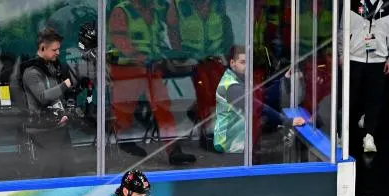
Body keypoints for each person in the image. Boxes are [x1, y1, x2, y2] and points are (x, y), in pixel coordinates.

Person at [107, 0, 196, 165]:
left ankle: (173, 150)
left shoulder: (154, 11)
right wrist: (139, 56)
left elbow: (164, 32)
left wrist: (161, 57)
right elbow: (119, 41)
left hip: (151, 69)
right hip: (128, 70)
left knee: (164, 107)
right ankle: (124, 141)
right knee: (124, 110)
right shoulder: (122, 11)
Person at [213, 46, 305, 154]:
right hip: (229, 147)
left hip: (240, 143)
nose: (247, 66)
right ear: (233, 63)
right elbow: (258, 107)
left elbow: (262, 95)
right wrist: (288, 121)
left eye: (249, 62)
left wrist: (285, 80)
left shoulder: (240, 79)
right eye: (243, 62)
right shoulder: (232, 87)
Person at [167, 0, 234, 150]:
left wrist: (227, 53)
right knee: (206, 92)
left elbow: (225, 26)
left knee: (222, 91)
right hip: (193, 59)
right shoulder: (178, 5)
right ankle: (207, 133)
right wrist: (180, 54)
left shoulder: (218, 4)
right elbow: (172, 31)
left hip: (215, 57)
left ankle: (197, 112)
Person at [21, 28, 81, 176]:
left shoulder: (54, 67)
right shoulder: (31, 72)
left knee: (68, 169)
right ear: (42, 48)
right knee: (51, 170)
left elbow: (60, 95)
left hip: (59, 125)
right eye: (55, 49)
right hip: (43, 130)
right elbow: (42, 96)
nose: (58, 53)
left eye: (59, 49)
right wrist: (65, 84)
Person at [345, 0, 389, 154]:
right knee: (350, 98)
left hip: (378, 58)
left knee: (374, 100)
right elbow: (342, 28)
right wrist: (341, 53)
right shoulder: (351, 2)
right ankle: (341, 134)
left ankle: (369, 135)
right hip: (354, 57)